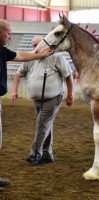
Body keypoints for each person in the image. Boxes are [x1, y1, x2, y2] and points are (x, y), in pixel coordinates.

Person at [0, 19, 52, 191]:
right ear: (1, 33)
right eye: (9, 32)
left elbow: (20, 55)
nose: (10, 36)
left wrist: (40, 55)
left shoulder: (2, 50)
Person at [11, 36, 74, 166]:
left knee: (41, 124)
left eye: (37, 45)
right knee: (45, 125)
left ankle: (35, 154)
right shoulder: (30, 58)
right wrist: (14, 90)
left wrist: (70, 94)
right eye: (33, 45)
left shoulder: (57, 57)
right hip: (37, 99)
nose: (35, 48)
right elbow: (19, 73)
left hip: (54, 97)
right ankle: (47, 154)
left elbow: (68, 75)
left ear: (44, 44)